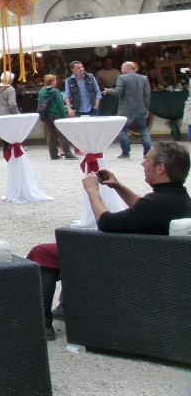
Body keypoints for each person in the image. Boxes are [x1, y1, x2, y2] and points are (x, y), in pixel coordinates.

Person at [26, 140, 191, 340]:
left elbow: (107, 223)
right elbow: (144, 208)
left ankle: (41, 325)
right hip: (149, 259)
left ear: (160, 168)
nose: (142, 164)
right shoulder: (180, 200)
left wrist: (93, 191)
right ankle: (66, 307)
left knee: (43, 252)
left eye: (147, 159)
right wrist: (118, 187)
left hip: (122, 261)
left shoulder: (156, 204)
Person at [106, 61, 152, 159]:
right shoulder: (143, 78)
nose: (121, 70)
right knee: (143, 131)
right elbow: (147, 95)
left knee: (123, 131)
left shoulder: (121, 78)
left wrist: (109, 91)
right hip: (140, 108)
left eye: (122, 68)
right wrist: (146, 108)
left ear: (127, 68)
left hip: (125, 110)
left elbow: (118, 92)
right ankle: (147, 153)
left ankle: (126, 153)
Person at [37, 75, 75, 160]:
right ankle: (67, 153)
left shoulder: (41, 92)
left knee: (50, 136)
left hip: (46, 115)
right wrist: (64, 117)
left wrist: (41, 117)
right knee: (62, 135)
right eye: (55, 80)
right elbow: (60, 105)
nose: (56, 82)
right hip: (57, 115)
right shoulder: (56, 92)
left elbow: (40, 105)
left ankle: (53, 155)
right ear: (52, 82)